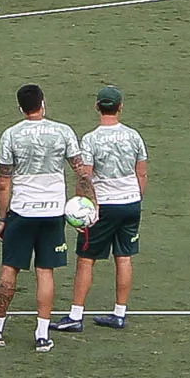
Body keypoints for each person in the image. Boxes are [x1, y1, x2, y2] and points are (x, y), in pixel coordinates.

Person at [0, 84, 94, 353]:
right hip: (53, 213)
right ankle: (42, 334)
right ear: (43, 103)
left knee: (10, 268)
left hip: (22, 212)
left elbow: (4, 182)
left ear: (20, 108)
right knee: (45, 271)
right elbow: (82, 172)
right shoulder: (63, 131)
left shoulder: (11, 135)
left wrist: (2, 217)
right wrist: (90, 206)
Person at [54, 86, 148, 334]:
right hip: (130, 203)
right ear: (120, 107)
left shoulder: (91, 139)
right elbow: (142, 172)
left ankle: (76, 315)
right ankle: (119, 313)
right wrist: (137, 199)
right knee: (124, 256)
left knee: (86, 259)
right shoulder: (134, 136)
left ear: (97, 107)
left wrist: (83, 205)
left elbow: (86, 176)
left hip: (103, 206)